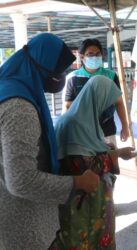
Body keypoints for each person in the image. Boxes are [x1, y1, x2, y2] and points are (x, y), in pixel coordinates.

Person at [0, 33, 100, 250]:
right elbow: (21, 180)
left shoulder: (7, 87)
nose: (61, 76)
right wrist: (77, 182)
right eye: (59, 70)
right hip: (21, 225)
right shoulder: (19, 108)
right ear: (42, 65)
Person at [50, 75, 137, 250]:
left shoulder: (85, 119)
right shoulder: (74, 124)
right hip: (81, 203)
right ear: (98, 97)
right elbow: (81, 165)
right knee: (82, 239)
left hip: (94, 200)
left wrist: (107, 148)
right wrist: (117, 154)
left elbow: (90, 150)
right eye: (108, 101)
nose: (108, 107)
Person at [62, 38, 129, 144]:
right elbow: (67, 106)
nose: (95, 57)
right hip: (81, 133)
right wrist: (64, 129)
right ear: (82, 57)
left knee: (111, 159)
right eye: (90, 54)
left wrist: (125, 126)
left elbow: (119, 103)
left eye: (98, 54)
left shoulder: (111, 75)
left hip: (107, 131)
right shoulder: (73, 77)